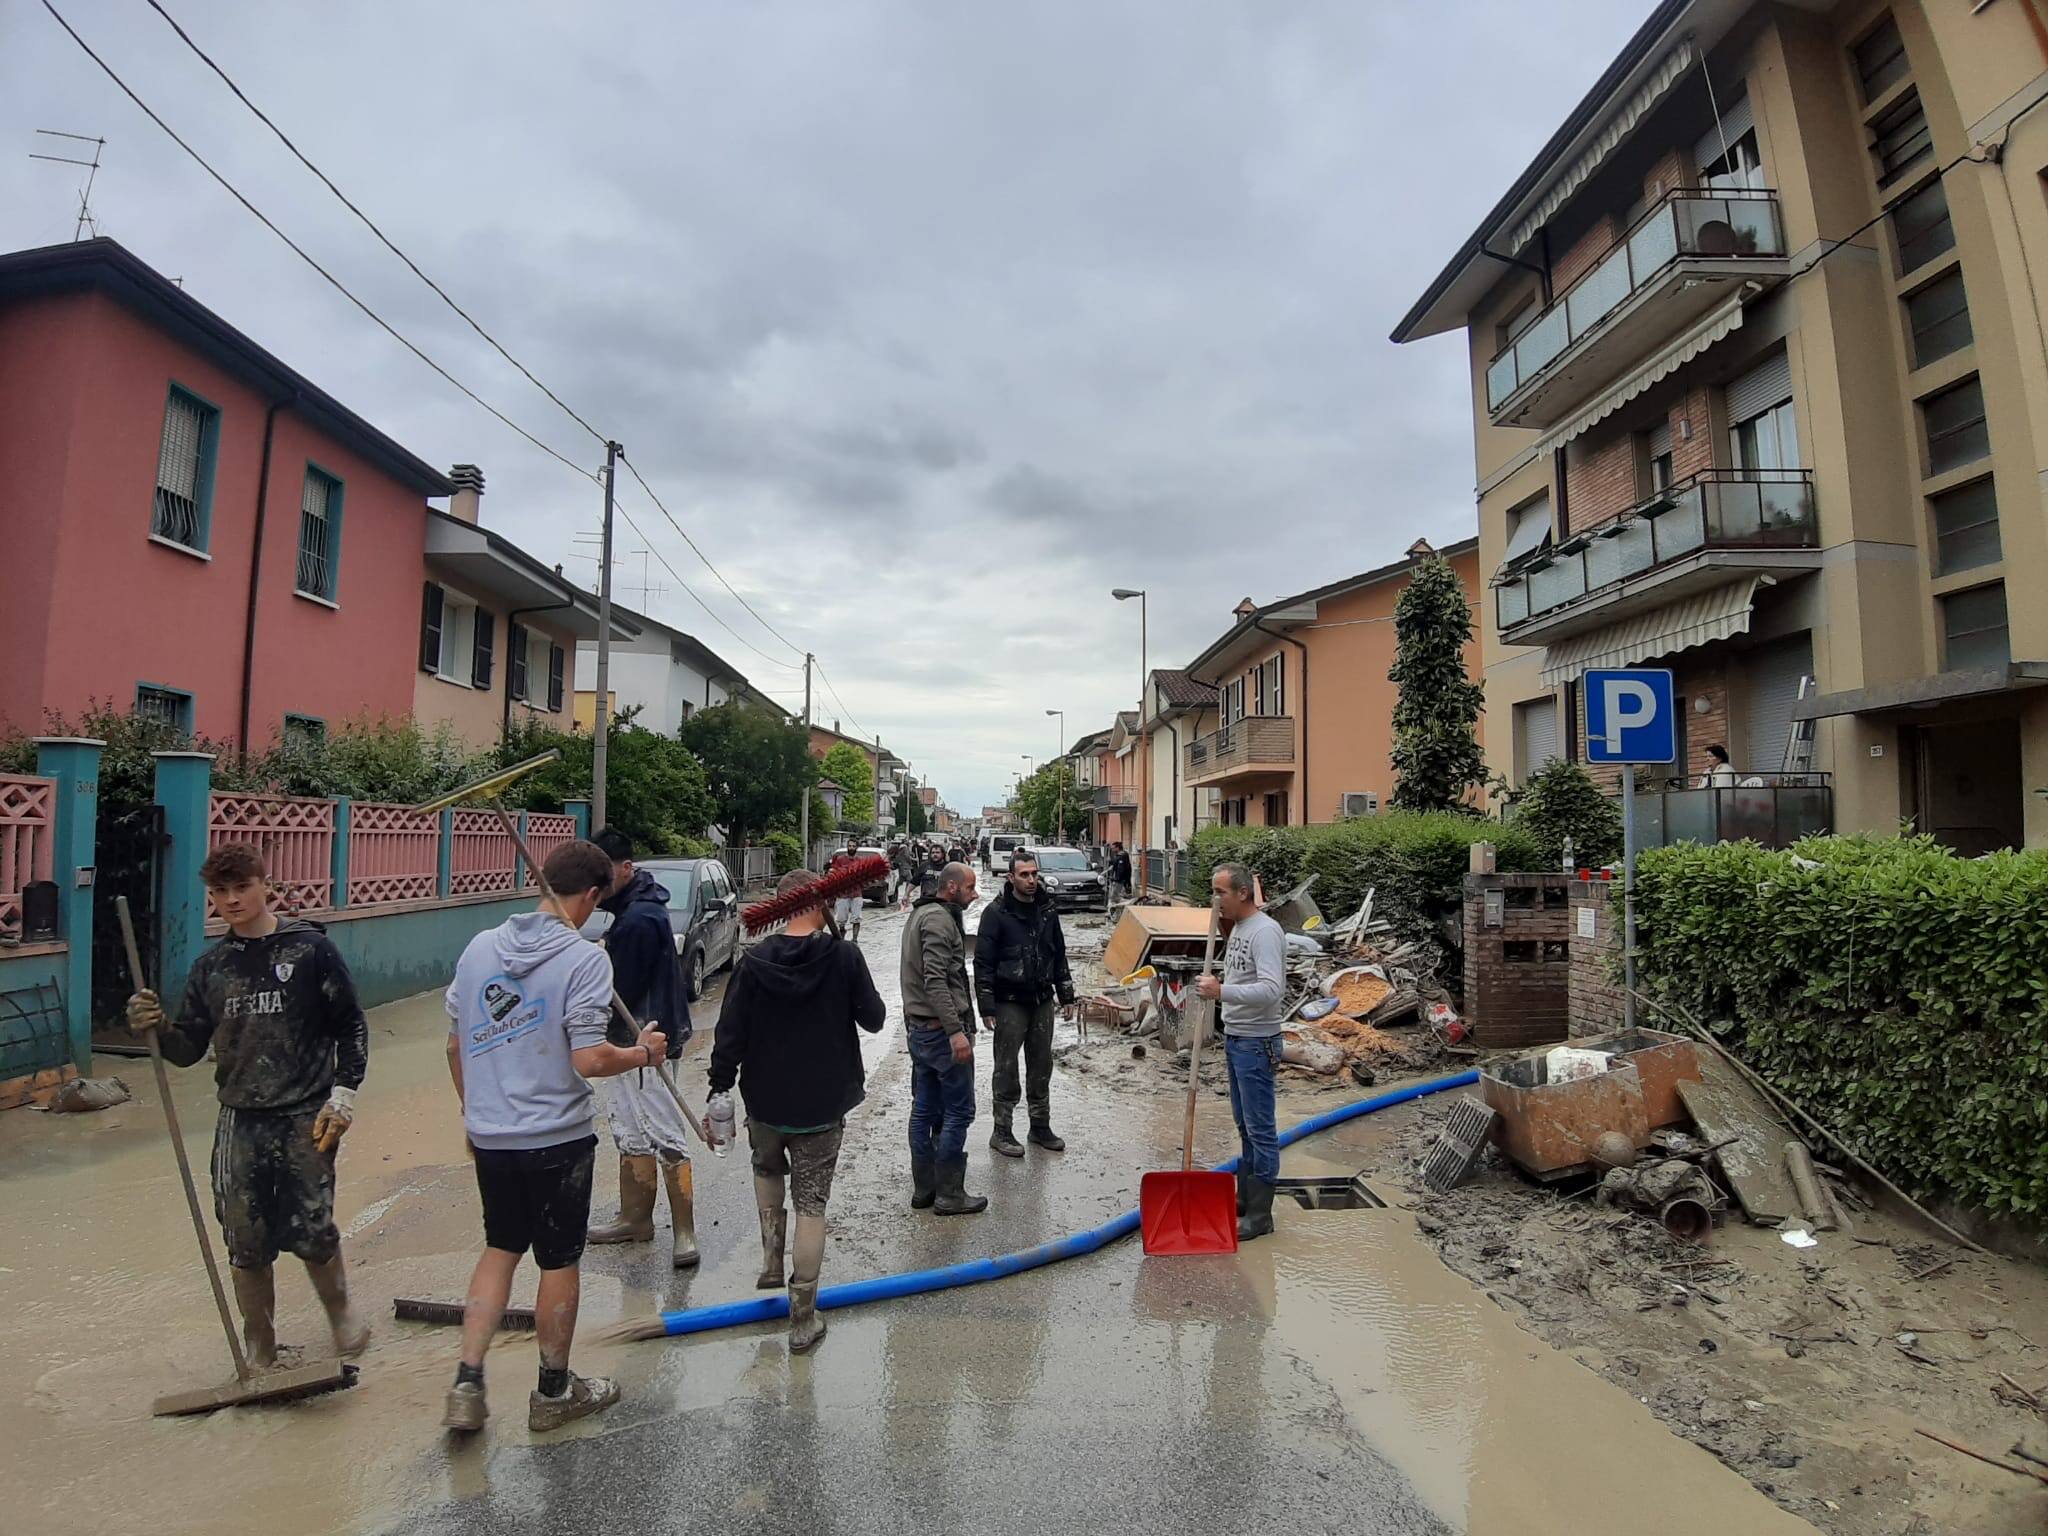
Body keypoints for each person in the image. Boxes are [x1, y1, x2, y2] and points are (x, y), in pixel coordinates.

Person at [441, 839, 668, 1434]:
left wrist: (475, 1114)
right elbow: (590, 1059)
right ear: (592, 895)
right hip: (556, 1138)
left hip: (492, 1136)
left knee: (500, 1249)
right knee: (557, 1260)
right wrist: (642, 1052)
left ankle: (467, 1383)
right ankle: (553, 1392)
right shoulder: (584, 958)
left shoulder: (479, 948)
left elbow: (454, 1044)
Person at [125, 841, 371, 1369]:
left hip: (307, 1113)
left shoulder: (309, 950)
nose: (232, 900)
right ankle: (259, 1341)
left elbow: (350, 1024)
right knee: (244, 1234)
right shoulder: (212, 967)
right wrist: (155, 1027)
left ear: (266, 886)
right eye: (220, 891)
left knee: (311, 1226)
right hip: (240, 1118)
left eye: (242, 888)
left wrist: (344, 1096)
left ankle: (341, 1312)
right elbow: (188, 1049)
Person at [707, 870, 886, 1353]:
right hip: (822, 1105)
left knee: (767, 1168)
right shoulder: (844, 957)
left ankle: (770, 1260)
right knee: (812, 1204)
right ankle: (802, 1317)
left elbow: (730, 1034)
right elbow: (875, 1020)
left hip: (764, 1101)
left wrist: (719, 1090)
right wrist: (844, 960)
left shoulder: (753, 962)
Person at [582, 828, 698, 1268]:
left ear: (627, 869)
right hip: (630, 1039)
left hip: (649, 1040)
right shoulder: (631, 910)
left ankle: (684, 1232)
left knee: (665, 1131)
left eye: (604, 873)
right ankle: (635, 1220)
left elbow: (621, 990)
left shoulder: (639, 920)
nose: (597, 883)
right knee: (629, 1130)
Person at [1195, 861, 1286, 1242]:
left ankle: (1261, 1214)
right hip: (1236, 1038)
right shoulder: (1238, 929)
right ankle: (1245, 1198)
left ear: (1243, 893)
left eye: (1221, 893)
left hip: (1257, 1042)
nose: (1215, 900)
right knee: (1244, 1125)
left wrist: (1222, 992)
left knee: (1261, 1129)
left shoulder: (1265, 933)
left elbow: (1271, 990)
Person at [974, 850, 1076, 1157]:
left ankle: (1039, 1126)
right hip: (1009, 1001)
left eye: (1034, 874)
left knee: (1041, 1064)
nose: (1031, 880)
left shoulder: (1047, 910)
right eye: (1024, 875)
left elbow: (1059, 953)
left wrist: (1067, 994)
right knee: (1006, 1067)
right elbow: (983, 961)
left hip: (1042, 999)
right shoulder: (996, 913)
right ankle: (1002, 1130)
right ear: (1011, 877)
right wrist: (987, 1005)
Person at [900, 862, 986, 1215]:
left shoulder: (921, 916)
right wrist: (956, 1032)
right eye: (969, 888)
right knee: (958, 1111)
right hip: (938, 1032)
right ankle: (949, 1194)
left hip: (921, 1030)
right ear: (951, 888)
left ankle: (925, 1189)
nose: (975, 894)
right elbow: (935, 980)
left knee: (924, 1108)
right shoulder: (937, 920)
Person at [826, 845, 864, 943]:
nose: (851, 848)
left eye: (853, 846)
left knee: (857, 917)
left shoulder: (860, 860)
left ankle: (855, 939)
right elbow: (833, 872)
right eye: (849, 846)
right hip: (843, 894)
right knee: (841, 918)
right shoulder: (840, 860)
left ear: (856, 848)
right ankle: (842, 933)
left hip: (856, 893)